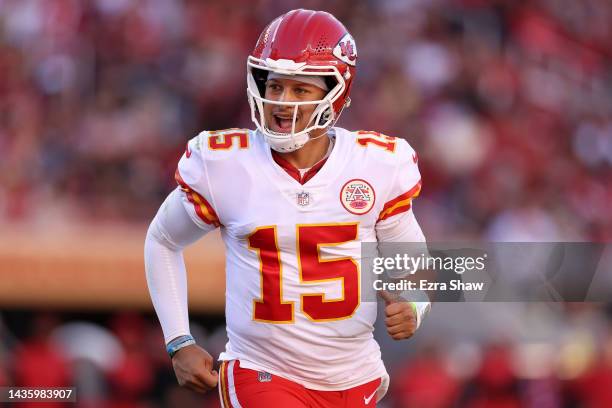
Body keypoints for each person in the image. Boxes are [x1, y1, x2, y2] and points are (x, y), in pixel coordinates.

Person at [145, 9, 430, 407]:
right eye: (275, 86)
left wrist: (414, 303)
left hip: (356, 376)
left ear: (336, 92)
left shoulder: (377, 163)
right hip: (261, 371)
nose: (281, 102)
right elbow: (162, 240)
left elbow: (413, 258)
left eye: (300, 90)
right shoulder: (224, 163)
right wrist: (178, 339)